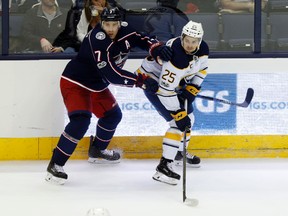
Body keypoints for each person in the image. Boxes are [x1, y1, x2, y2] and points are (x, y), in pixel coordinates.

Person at [45, 7, 173, 185]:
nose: (111, 29)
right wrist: (141, 81)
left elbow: (142, 38)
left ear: (119, 23)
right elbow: (113, 75)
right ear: (101, 23)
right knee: (80, 121)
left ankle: (97, 150)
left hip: (97, 85)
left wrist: (156, 48)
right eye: (107, 24)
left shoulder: (126, 30)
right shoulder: (97, 40)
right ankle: (55, 165)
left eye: (114, 24)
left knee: (112, 116)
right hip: (76, 83)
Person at [136, 20, 208, 185]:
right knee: (177, 124)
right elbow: (165, 91)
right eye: (187, 40)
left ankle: (178, 152)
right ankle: (163, 168)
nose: (190, 45)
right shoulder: (177, 57)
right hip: (153, 84)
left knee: (190, 120)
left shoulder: (203, 49)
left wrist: (192, 88)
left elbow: (202, 69)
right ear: (182, 37)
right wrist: (178, 112)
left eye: (194, 41)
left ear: (200, 41)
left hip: (170, 86)